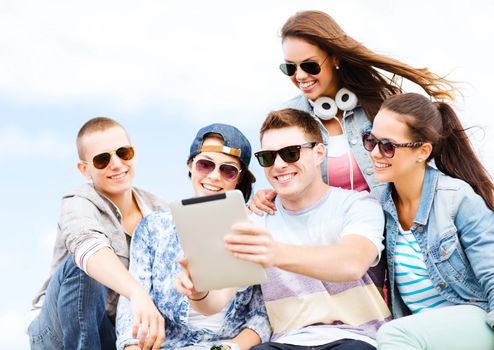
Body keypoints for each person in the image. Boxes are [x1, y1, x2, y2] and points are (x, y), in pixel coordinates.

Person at [178, 109, 391, 350]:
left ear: (319, 153)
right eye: (268, 157)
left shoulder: (357, 205)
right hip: (286, 342)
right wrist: (197, 291)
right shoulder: (255, 220)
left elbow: (352, 263)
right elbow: (215, 301)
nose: (278, 165)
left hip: (356, 338)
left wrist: (276, 253)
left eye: (290, 153)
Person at [250, 9, 455, 213]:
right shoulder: (289, 118)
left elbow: (417, 160)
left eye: (310, 66)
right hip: (327, 235)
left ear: (335, 58)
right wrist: (268, 194)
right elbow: (284, 171)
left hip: (388, 230)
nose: (300, 76)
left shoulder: (381, 105)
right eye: (290, 68)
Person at [116, 123, 271, 350]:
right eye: (205, 165)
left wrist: (230, 348)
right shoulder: (153, 229)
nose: (214, 176)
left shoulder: (253, 228)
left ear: (238, 178)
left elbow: (262, 315)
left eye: (227, 170)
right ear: (191, 166)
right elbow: (131, 307)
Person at [361, 93, 494, 349]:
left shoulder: (456, 199)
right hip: (423, 334)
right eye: (371, 140)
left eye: (388, 145)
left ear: (422, 151)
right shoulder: (379, 205)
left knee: (391, 336)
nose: (375, 153)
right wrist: (276, 196)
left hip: (476, 321)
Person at [27, 117, 168, 350]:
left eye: (124, 153)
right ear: (85, 169)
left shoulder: (160, 210)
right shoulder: (77, 203)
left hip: (113, 331)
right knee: (84, 265)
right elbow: (87, 246)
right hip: (56, 331)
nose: (116, 164)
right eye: (102, 159)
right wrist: (137, 293)